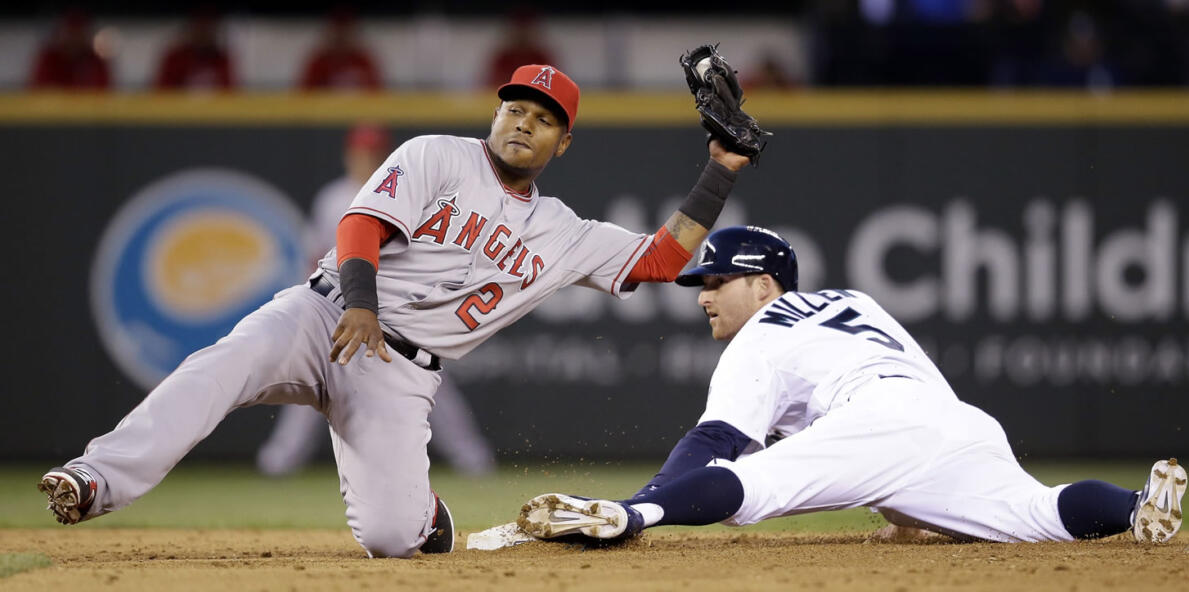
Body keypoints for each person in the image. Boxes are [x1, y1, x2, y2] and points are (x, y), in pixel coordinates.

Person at [37, 63, 752, 559]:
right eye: (515, 109)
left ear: (562, 142)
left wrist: (719, 170)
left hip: (398, 375)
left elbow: (660, 260)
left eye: (542, 119)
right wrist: (360, 303)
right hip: (323, 315)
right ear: (495, 113)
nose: (522, 124)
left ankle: (425, 517)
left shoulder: (563, 233)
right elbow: (360, 228)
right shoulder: (438, 156)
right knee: (216, 369)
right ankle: (93, 479)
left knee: (389, 539)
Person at [518, 226, 1189, 545]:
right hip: (958, 423)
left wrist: (649, 501)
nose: (703, 297)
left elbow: (715, 440)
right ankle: (1139, 506)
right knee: (1040, 516)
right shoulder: (857, 302)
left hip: (880, 419)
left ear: (764, 284)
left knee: (746, 490)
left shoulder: (763, 330)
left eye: (717, 282)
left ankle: (629, 517)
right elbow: (899, 439)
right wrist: (908, 511)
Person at [257, 124, 495, 478]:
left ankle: (472, 458)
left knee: (432, 384)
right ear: (348, 154)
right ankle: (279, 459)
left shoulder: (406, 192)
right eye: (359, 152)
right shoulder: (332, 198)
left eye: (372, 152)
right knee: (316, 376)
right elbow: (313, 256)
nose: (365, 159)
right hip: (340, 301)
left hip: (394, 305)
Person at [298, 9, 382, 91]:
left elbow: (377, 93)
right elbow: (305, 95)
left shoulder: (363, 61)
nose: (342, 37)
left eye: (346, 31)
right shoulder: (319, 63)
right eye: (338, 31)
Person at [153, 9, 234, 91]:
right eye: (200, 26)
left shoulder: (222, 60)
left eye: (209, 26)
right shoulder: (175, 58)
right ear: (191, 28)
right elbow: (162, 93)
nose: (205, 32)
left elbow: (230, 93)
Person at [28, 10, 110, 90]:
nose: (74, 38)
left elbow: (104, 91)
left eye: (78, 33)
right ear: (60, 33)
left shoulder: (95, 61)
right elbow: (38, 89)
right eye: (70, 32)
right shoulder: (49, 58)